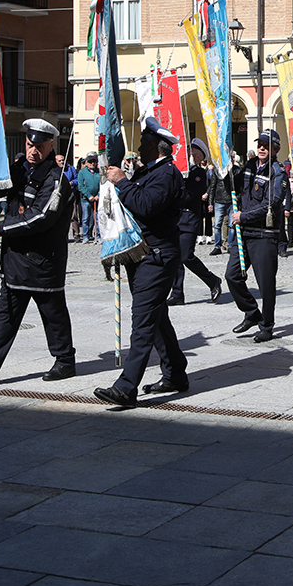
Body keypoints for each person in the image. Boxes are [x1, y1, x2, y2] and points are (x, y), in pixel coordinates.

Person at [0, 119, 77, 386]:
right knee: (5, 314)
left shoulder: (55, 179)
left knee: (53, 315)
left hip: (43, 260)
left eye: (40, 146)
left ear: (51, 145)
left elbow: (41, 217)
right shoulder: (19, 169)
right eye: (30, 145)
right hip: (15, 259)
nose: (34, 151)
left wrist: (2, 228)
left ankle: (65, 360)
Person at [93, 117, 188, 406]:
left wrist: (122, 182)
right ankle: (175, 372)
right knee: (156, 317)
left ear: (154, 146)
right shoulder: (151, 171)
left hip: (157, 256)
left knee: (143, 320)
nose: (137, 147)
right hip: (144, 253)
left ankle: (126, 385)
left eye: (142, 142)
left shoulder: (167, 174)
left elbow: (145, 206)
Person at [227, 129, 286, 343]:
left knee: (265, 284)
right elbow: (234, 187)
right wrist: (225, 169)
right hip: (244, 234)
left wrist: (244, 216)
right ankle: (252, 313)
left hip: (264, 234)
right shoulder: (249, 166)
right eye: (260, 143)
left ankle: (267, 325)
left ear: (275, 149)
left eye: (267, 144)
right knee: (232, 276)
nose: (262, 147)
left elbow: (272, 203)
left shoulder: (277, 171)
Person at [169, 138, 223, 306]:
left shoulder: (198, 174)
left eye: (195, 152)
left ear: (201, 157)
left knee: (186, 256)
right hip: (175, 219)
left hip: (189, 220)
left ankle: (213, 280)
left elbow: (187, 196)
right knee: (174, 257)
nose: (191, 154)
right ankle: (177, 293)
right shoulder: (178, 171)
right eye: (190, 151)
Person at [208, 160, 232, 255]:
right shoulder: (216, 170)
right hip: (219, 200)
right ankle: (217, 246)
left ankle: (230, 245)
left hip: (231, 200)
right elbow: (212, 186)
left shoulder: (233, 170)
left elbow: (238, 186)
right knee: (217, 225)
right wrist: (210, 202)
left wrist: (237, 198)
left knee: (231, 225)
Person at [77, 155, 101, 243]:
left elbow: (102, 184)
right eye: (90, 162)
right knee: (86, 218)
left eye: (94, 161)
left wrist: (98, 194)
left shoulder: (98, 172)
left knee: (97, 218)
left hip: (97, 199)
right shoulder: (82, 172)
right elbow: (81, 186)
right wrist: (88, 195)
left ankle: (98, 235)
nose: (92, 163)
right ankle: (85, 236)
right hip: (86, 199)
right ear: (86, 163)